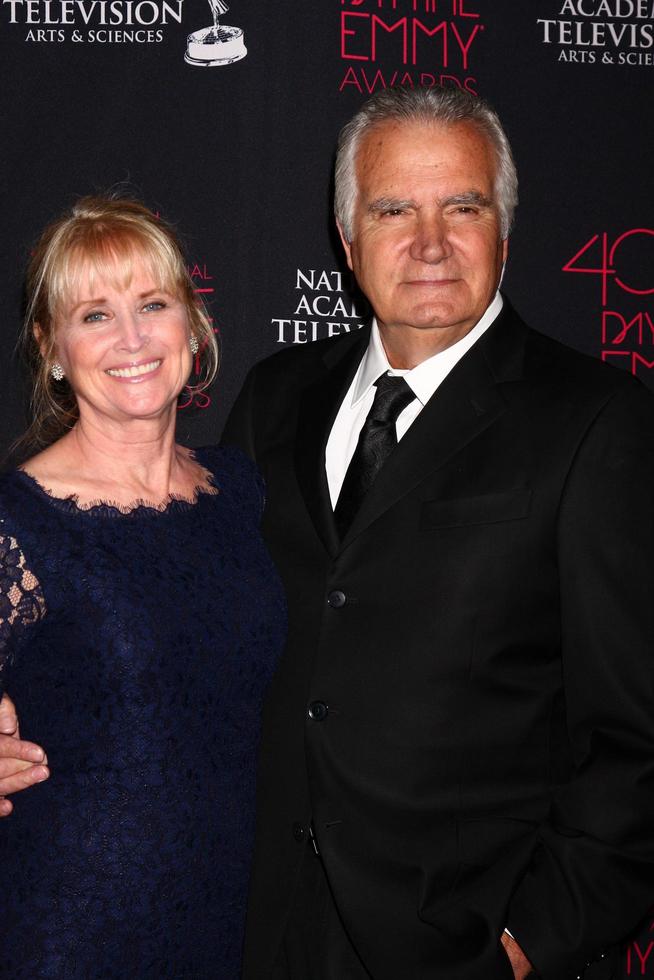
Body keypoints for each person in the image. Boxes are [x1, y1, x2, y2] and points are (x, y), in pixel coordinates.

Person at [219, 87, 654, 979]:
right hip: (264, 930)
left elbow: (635, 741)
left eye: (463, 205)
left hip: (463, 945)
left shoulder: (595, 421)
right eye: (392, 209)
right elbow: (205, 634)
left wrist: (523, 945)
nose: (429, 243)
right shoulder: (276, 398)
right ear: (347, 241)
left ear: (504, 229)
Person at [0, 196, 286, 976]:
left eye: (152, 304)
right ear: (51, 349)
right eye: (93, 314)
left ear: (193, 326)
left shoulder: (238, 492)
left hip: (225, 925)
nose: (131, 338)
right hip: (65, 935)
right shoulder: (18, 521)